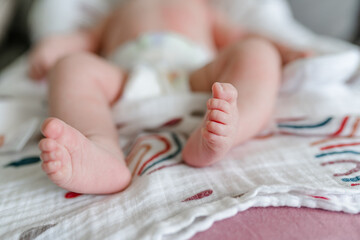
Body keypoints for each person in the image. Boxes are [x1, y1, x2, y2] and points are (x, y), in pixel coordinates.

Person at [29, 0, 310, 194]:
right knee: (70, 66)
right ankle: (101, 149)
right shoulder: (119, 11)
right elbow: (83, 39)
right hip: (126, 79)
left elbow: (242, 35)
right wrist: (52, 48)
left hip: (195, 75)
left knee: (258, 51)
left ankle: (228, 132)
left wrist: (284, 50)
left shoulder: (203, 8)